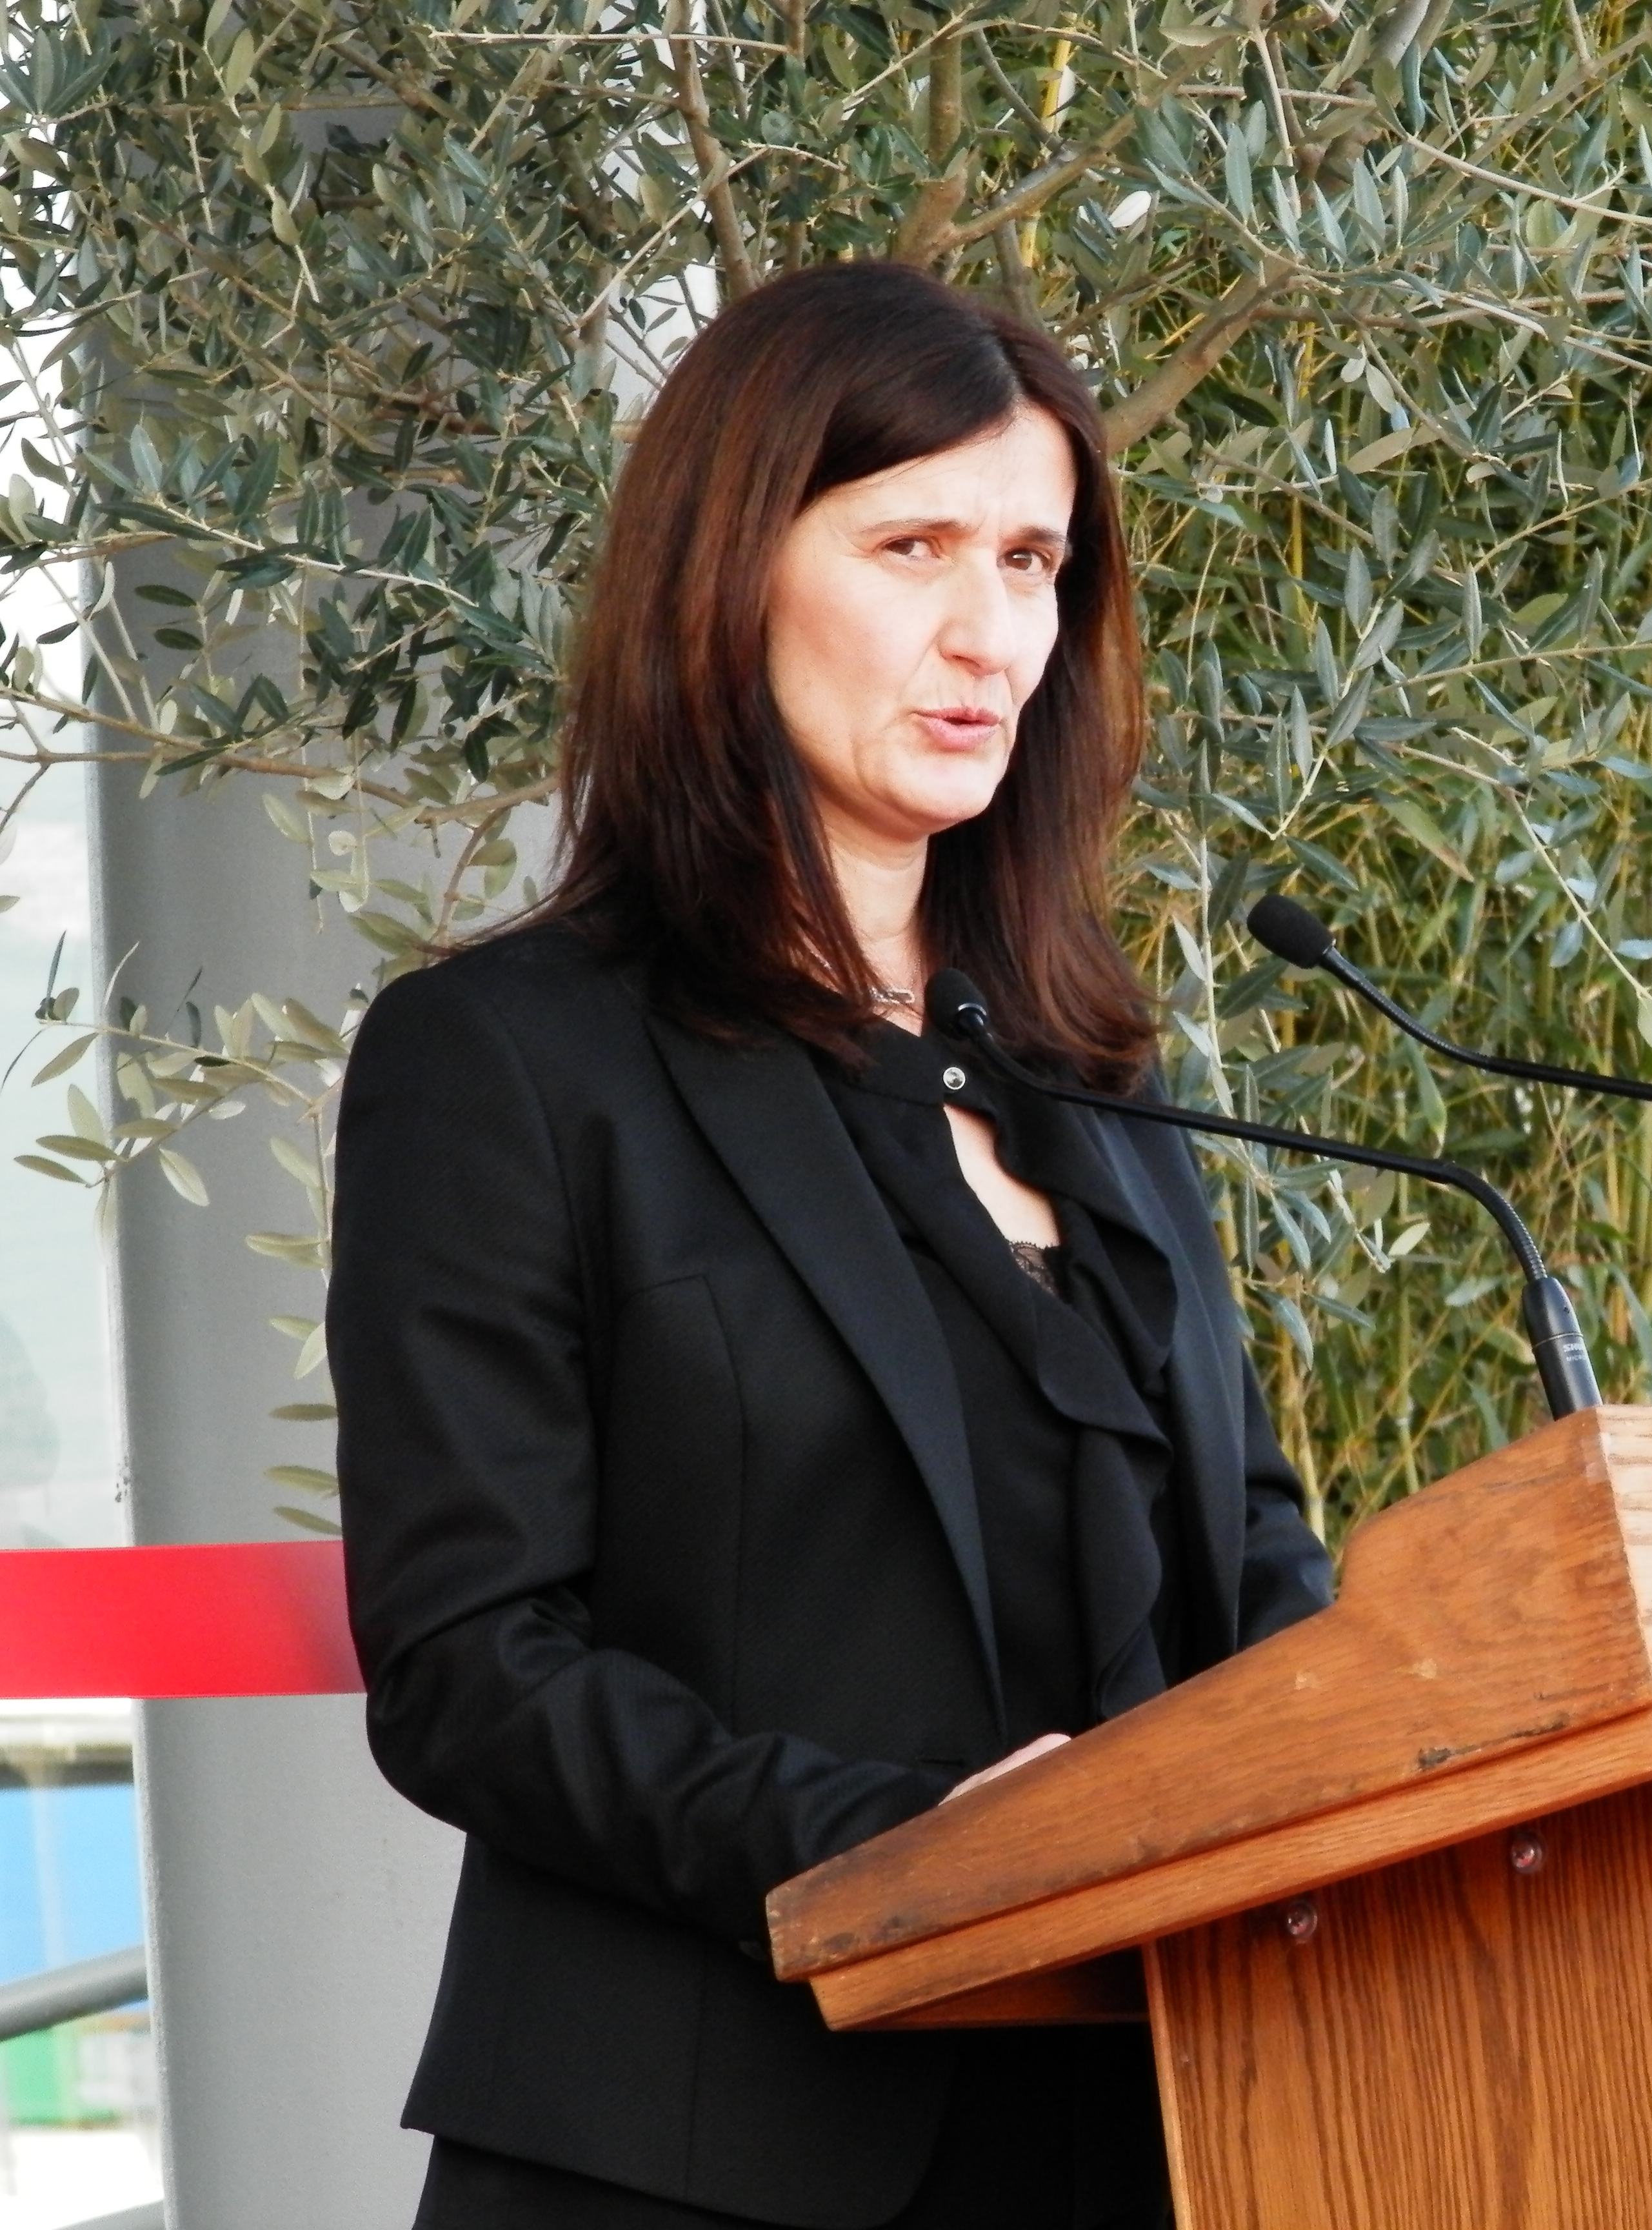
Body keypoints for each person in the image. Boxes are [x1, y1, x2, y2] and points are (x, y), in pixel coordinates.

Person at [328, 261, 1335, 2230]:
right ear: (734, 573)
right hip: (704, 2151)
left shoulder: (1102, 1074)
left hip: (1160, 2128)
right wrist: (899, 1853)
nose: (989, 633)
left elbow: (1258, 1560)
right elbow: (471, 1664)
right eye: (914, 546)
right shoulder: (510, 1061)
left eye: (1035, 559)